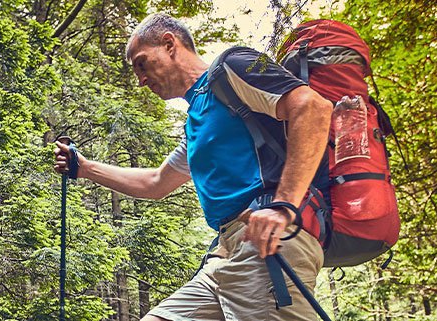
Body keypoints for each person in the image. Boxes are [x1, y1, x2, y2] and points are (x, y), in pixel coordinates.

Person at [53, 13, 334, 321]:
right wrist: (84, 167)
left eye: (142, 63)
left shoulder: (234, 65)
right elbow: (157, 182)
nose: (141, 79)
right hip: (225, 254)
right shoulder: (196, 123)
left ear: (169, 44)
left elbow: (313, 107)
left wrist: (284, 206)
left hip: (267, 243)